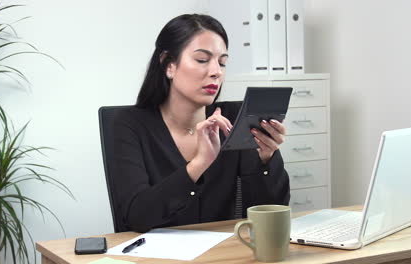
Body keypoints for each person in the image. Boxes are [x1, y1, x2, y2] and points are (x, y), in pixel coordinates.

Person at [110, 14, 290, 233]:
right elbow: (136, 216)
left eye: (222, 62)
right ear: (169, 64)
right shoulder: (129, 126)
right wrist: (199, 164)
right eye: (202, 60)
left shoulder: (233, 119)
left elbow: (272, 210)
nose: (216, 71)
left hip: (225, 253)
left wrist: (266, 160)